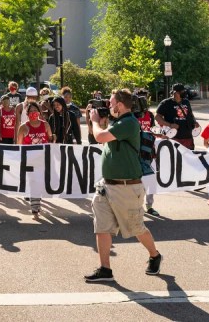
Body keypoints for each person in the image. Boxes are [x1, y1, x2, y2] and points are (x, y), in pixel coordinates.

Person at [85, 89, 162, 283]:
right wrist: (96, 122)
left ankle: (155, 255)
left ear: (120, 105)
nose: (108, 106)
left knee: (136, 228)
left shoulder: (129, 123)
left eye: (111, 103)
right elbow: (98, 137)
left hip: (127, 187)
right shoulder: (117, 123)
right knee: (102, 227)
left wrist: (95, 121)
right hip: (106, 185)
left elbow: (100, 137)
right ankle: (105, 269)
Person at [16, 101, 54, 219]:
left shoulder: (45, 125)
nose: (33, 113)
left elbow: (50, 139)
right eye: (31, 111)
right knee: (34, 183)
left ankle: (36, 203)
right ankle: (35, 209)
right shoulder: (23, 127)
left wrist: (53, 137)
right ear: (27, 114)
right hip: (30, 160)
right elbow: (19, 145)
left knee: (40, 183)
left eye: (35, 111)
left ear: (39, 112)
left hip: (43, 159)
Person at [155, 83, 199, 150]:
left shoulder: (186, 102)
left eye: (184, 91)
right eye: (181, 92)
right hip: (174, 137)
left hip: (188, 136)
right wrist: (170, 125)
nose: (183, 93)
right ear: (175, 92)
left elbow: (190, 114)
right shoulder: (166, 103)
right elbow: (157, 117)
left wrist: (194, 122)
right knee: (175, 156)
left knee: (189, 155)